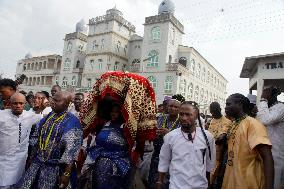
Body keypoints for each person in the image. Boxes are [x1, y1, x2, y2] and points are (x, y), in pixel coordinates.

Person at [79, 71, 157, 189]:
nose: (113, 114)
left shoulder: (127, 128)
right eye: (112, 111)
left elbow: (137, 146)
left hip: (119, 168)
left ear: (122, 113)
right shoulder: (105, 124)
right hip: (98, 164)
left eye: (116, 112)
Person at [17, 91, 83, 189]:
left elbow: (72, 152)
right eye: (52, 99)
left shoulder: (72, 122)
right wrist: (31, 158)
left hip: (55, 169)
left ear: (67, 103)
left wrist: (67, 174)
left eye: (57, 100)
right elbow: (36, 137)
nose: (52, 102)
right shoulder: (50, 115)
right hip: (38, 164)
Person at [157, 101, 216, 189]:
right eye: (181, 114)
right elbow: (164, 161)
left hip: (200, 186)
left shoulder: (207, 137)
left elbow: (209, 164)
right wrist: (160, 182)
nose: (184, 118)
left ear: (196, 116)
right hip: (176, 186)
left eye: (188, 115)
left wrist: (208, 184)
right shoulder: (170, 137)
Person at [222, 93, 274, 189]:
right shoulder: (234, 124)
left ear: (240, 105)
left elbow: (267, 156)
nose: (226, 107)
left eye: (228, 104)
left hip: (248, 183)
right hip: (231, 181)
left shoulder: (253, 124)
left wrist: (269, 186)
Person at [0, 93, 42, 188]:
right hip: (3, 160)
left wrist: (41, 106)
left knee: (18, 183)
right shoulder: (1, 116)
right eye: (15, 103)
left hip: (20, 159)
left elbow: (44, 116)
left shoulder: (29, 116)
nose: (18, 106)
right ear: (10, 104)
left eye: (21, 103)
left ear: (25, 104)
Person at [148, 96, 183, 189]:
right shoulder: (161, 118)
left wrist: (169, 133)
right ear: (167, 107)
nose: (173, 108)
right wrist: (154, 133)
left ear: (180, 109)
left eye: (176, 107)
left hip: (173, 158)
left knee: (167, 183)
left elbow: (183, 140)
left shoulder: (182, 122)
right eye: (171, 106)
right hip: (157, 154)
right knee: (153, 181)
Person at [257, 87, 284, 189]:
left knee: (274, 184)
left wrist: (263, 100)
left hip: (276, 154)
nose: (263, 95)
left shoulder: (281, 107)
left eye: (265, 92)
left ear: (273, 95)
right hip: (264, 152)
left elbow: (265, 120)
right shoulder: (266, 108)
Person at [208, 102, 231, 187]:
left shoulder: (227, 121)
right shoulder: (212, 120)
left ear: (220, 110)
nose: (213, 114)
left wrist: (221, 137)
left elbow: (222, 137)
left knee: (213, 175)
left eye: (215, 111)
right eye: (212, 112)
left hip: (219, 153)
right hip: (208, 151)